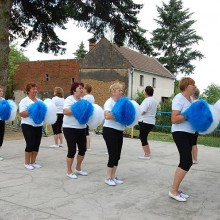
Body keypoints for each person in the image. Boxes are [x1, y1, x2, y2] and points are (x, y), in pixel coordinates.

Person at [169, 77, 196, 202]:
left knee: (185, 161)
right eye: (193, 84)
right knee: (186, 162)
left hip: (189, 133)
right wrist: (187, 115)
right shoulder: (178, 98)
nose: (195, 86)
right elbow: (174, 119)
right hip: (180, 133)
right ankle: (173, 191)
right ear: (186, 86)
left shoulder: (190, 99)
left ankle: (176, 189)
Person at [63, 82, 88, 179]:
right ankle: (69, 171)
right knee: (72, 150)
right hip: (69, 128)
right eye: (80, 88)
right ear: (74, 90)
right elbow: (65, 111)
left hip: (81, 128)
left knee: (83, 149)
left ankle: (78, 168)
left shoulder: (83, 100)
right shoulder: (69, 99)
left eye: (82, 88)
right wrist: (78, 108)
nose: (82, 90)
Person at [103, 82, 124, 186]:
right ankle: (108, 177)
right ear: (113, 92)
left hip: (119, 130)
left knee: (118, 155)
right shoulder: (109, 102)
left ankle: (113, 176)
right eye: (119, 90)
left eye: (121, 90)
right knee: (112, 154)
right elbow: (107, 115)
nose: (121, 92)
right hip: (109, 130)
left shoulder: (120, 103)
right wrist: (119, 115)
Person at [19, 83, 43, 170]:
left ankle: (33, 162)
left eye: (36, 89)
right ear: (28, 91)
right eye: (33, 89)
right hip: (27, 124)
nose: (35, 91)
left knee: (37, 144)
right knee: (30, 143)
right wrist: (33, 110)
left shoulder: (40, 101)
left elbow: (43, 113)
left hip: (39, 125)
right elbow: (22, 113)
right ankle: (27, 163)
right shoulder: (24, 101)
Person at [138, 86, 158, 160]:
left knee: (142, 137)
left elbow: (143, 111)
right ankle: (148, 153)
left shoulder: (147, 100)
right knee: (144, 137)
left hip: (145, 121)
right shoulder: (154, 101)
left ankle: (146, 154)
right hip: (151, 122)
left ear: (146, 92)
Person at [83, 84, 95, 151]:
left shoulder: (85, 97)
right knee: (87, 131)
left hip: (86, 115)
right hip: (90, 114)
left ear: (86, 89)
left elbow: (84, 106)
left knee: (85, 131)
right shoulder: (92, 97)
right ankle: (88, 146)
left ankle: (86, 146)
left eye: (84, 89)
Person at [191, 87, 200, 164]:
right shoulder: (200, 103)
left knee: (190, 143)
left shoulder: (192, 103)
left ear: (193, 93)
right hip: (197, 125)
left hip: (192, 126)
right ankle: (195, 159)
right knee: (194, 143)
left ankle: (190, 158)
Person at [0, 86, 5, 161]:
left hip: (2, 120)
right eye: (0, 91)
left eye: (2, 91)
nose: (1, 92)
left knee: (0, 137)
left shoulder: (3, 100)